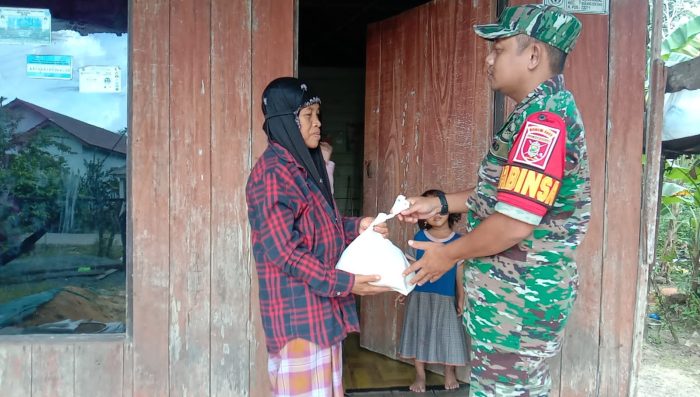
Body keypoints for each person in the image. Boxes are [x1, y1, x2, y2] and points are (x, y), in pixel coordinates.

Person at [399, 5, 591, 396]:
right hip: (509, 305)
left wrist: (448, 254)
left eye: (498, 49)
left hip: (518, 307)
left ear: (534, 55)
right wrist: (439, 204)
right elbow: (502, 198)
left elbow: (514, 223)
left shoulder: (544, 122)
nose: (488, 59)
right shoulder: (533, 114)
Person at [245, 77, 391, 396]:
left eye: (317, 115)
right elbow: (285, 253)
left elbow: (323, 224)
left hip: (322, 313)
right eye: (309, 116)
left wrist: (358, 226)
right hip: (298, 318)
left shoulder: (304, 168)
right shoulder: (272, 175)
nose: (318, 123)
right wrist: (345, 282)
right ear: (286, 121)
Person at [397, 189, 468, 392]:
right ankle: (420, 375)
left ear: (450, 211)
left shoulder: (458, 241)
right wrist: (404, 291)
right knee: (420, 334)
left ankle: (449, 373)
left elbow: (459, 273)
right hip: (420, 296)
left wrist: (461, 298)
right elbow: (410, 270)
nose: (436, 215)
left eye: (441, 210)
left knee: (449, 336)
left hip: (446, 298)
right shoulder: (419, 237)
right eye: (431, 212)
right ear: (423, 217)